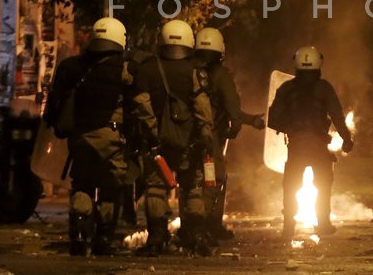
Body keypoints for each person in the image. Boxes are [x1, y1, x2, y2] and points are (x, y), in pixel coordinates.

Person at [44, 17, 145, 256]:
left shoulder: (71, 67)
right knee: (111, 188)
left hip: (80, 138)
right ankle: (104, 239)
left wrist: (53, 126)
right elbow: (138, 106)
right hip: (112, 137)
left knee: (82, 184)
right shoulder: (126, 69)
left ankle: (78, 235)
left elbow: (54, 104)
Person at [131, 20, 215, 257]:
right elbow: (202, 106)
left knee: (156, 189)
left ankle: (157, 239)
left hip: (158, 144)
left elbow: (141, 103)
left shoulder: (148, 68)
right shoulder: (194, 70)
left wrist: (153, 133)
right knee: (193, 188)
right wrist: (205, 134)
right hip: (189, 142)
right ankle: (195, 238)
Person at [269, 46, 353, 239]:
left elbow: (273, 119)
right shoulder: (324, 88)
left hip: (296, 146)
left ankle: (288, 227)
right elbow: (337, 116)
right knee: (323, 185)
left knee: (291, 186)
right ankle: (323, 224)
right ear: (319, 64)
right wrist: (347, 140)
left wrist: (290, 126)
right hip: (318, 146)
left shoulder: (287, 89)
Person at [193, 27, 266, 240]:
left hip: (187, 136)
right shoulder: (220, 75)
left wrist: (251, 119)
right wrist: (234, 129)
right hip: (210, 139)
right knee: (215, 180)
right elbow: (231, 108)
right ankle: (208, 226)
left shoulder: (190, 72)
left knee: (191, 183)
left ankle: (191, 226)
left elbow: (220, 107)